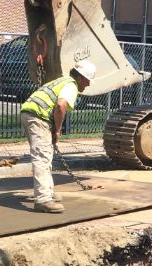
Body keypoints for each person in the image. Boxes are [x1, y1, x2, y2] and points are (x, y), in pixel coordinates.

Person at [20, 59, 96, 213]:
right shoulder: (71, 85)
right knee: (42, 157)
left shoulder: (62, 80)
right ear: (81, 77)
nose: (87, 85)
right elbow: (61, 105)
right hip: (38, 116)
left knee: (45, 156)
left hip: (30, 113)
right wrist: (57, 130)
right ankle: (43, 200)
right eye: (88, 81)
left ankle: (47, 192)